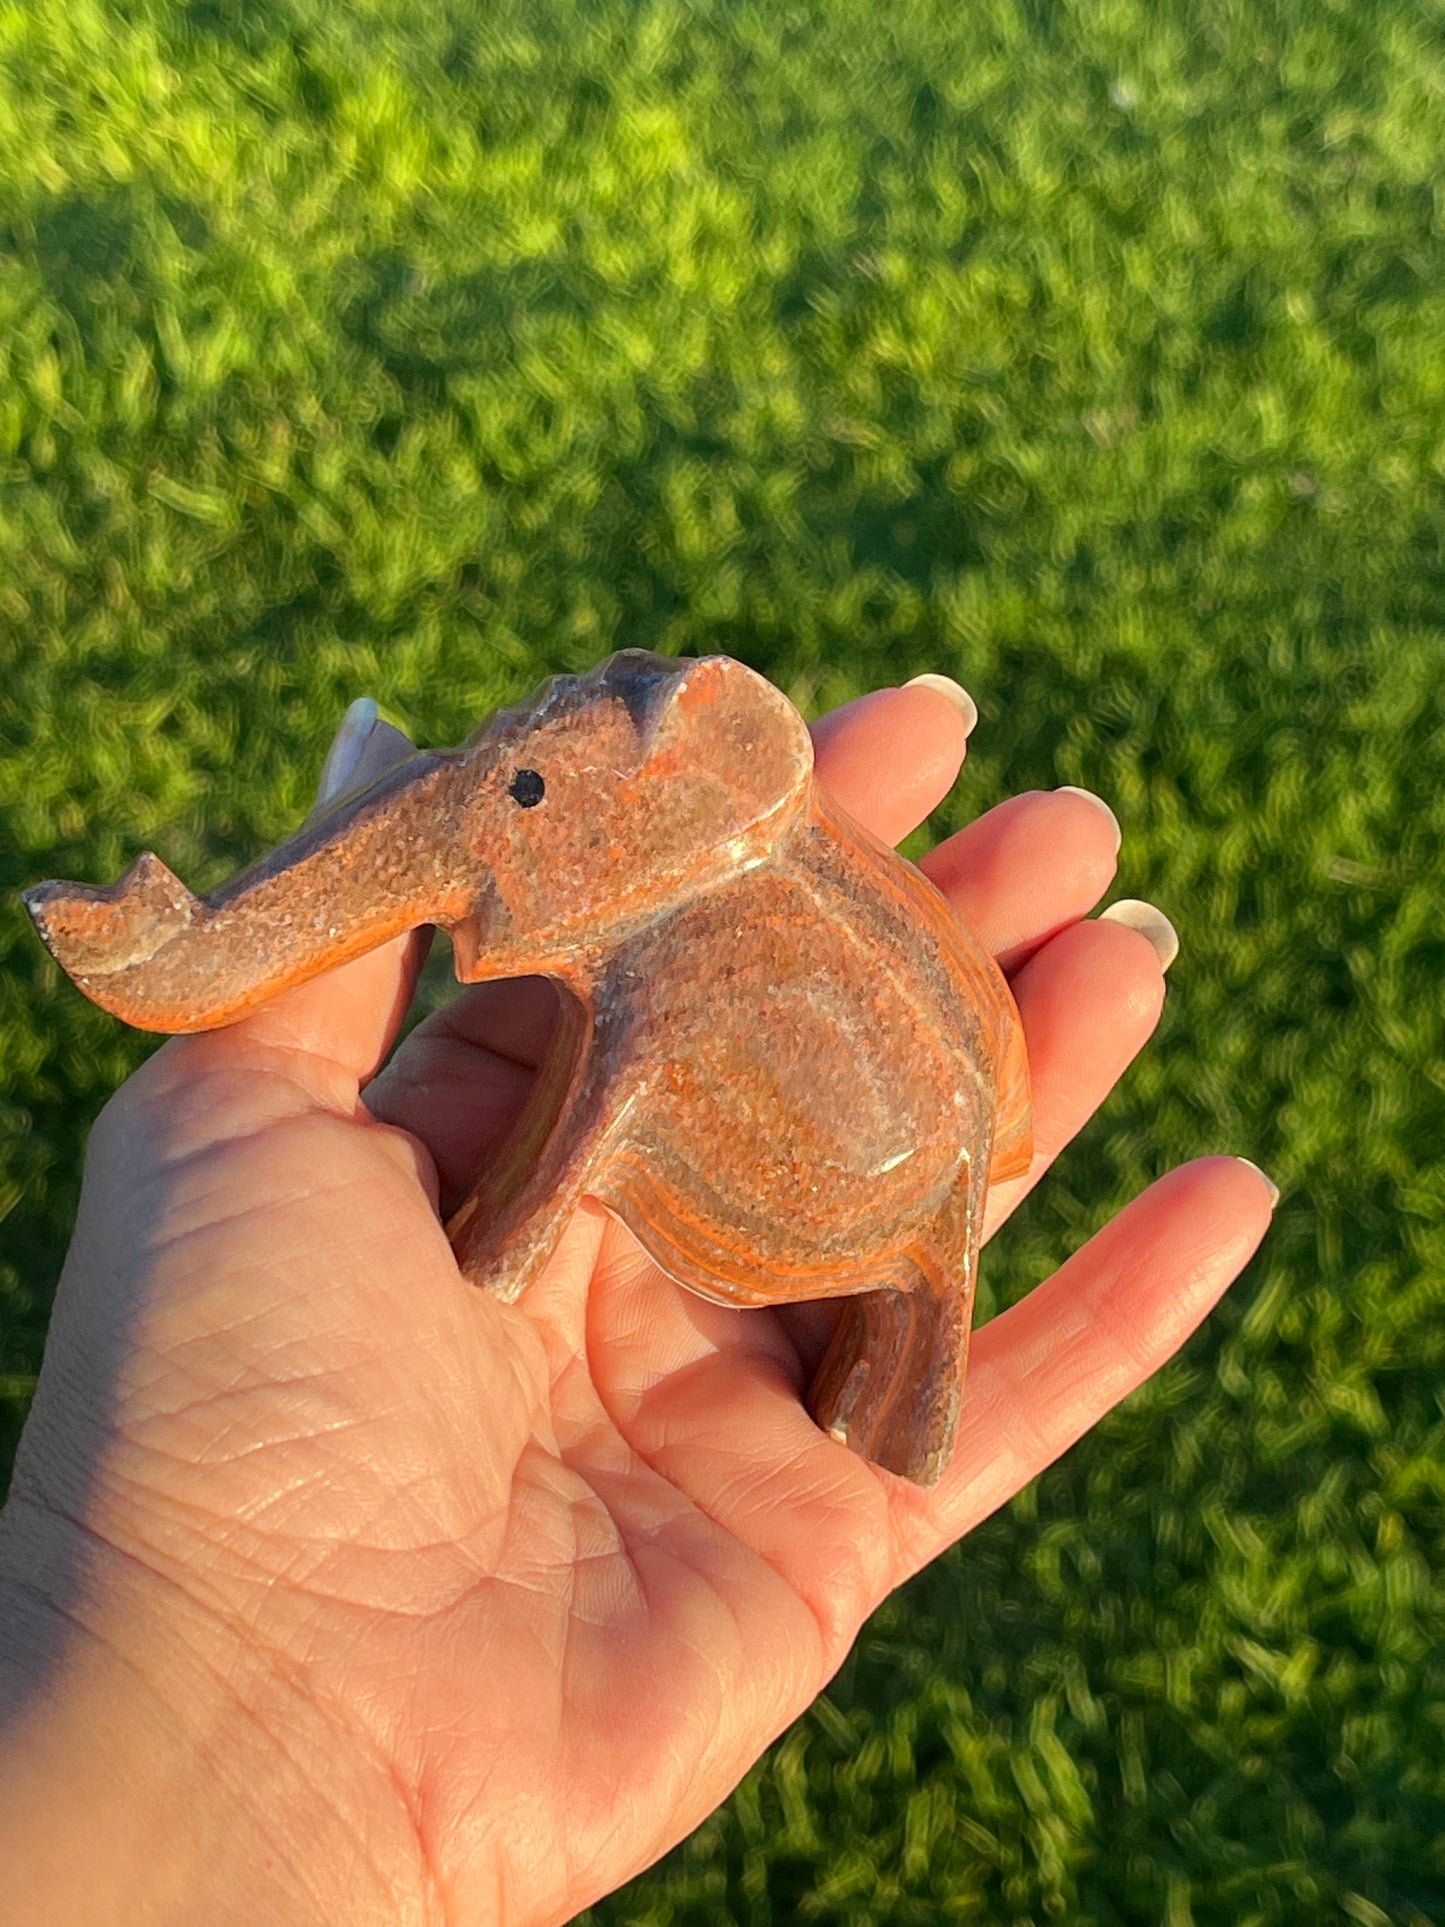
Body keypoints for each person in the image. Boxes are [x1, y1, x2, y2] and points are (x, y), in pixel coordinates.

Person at [0, 674, 1275, 1925]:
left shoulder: (691, 935)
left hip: (853, 1169)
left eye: (529, 787)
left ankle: (889, 1314)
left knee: (631, 1076)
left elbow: (593, 1119)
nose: (462, 803)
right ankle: (897, 1343)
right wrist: (180, 1626)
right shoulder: (703, 884)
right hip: (892, 1199)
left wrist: (496, 1245)